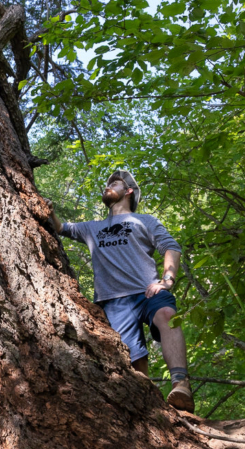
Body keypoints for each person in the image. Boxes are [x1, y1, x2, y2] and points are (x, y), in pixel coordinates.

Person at [47, 170, 194, 413]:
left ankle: (180, 383)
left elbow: (171, 247)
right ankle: (151, 411)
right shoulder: (92, 228)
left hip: (147, 291)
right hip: (113, 302)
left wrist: (167, 279)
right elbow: (61, 228)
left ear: (128, 191)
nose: (107, 186)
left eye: (114, 183)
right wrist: (48, 210)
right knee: (131, 359)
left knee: (167, 314)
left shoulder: (144, 221)